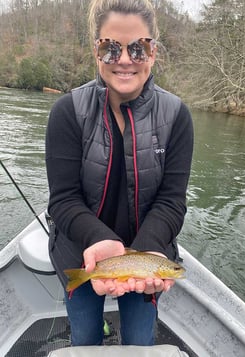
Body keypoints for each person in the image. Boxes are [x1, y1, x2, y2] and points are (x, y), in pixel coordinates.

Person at [45, 0, 193, 347]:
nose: (125, 59)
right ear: (96, 52)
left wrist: (148, 251)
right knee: (84, 337)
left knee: (141, 340)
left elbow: (172, 202)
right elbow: (64, 201)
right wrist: (97, 241)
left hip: (150, 251)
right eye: (111, 48)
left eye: (138, 48)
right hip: (79, 249)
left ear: (153, 52)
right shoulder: (67, 112)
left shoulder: (177, 117)